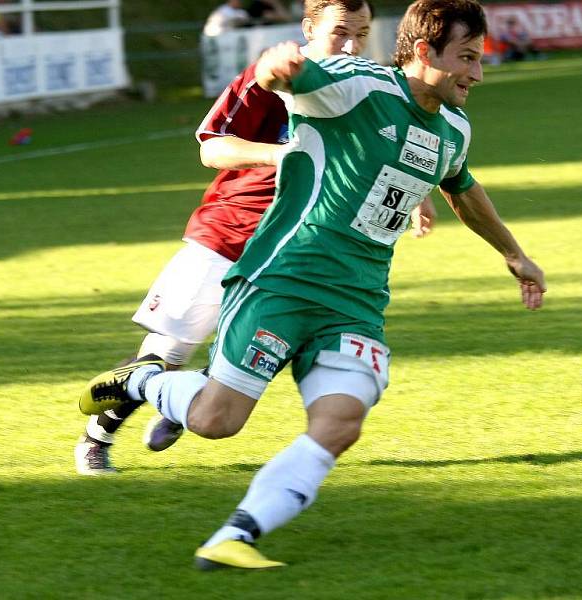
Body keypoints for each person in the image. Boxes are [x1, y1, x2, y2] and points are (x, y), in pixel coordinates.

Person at [80, 0, 545, 570]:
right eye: (467, 58)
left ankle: (236, 535)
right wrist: (279, 71)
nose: (477, 73)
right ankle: (146, 381)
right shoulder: (357, 84)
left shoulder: (453, 127)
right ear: (424, 52)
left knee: (340, 422)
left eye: (479, 59)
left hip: (356, 305)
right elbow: (298, 80)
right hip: (284, 281)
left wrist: (514, 254)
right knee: (215, 422)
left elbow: (461, 186)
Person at [75, 0, 442, 475]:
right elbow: (213, 148)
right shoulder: (275, 76)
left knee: (275, 341)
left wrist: (418, 193)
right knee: (168, 351)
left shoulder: (366, 84)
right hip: (231, 232)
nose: (352, 45)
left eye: (362, 33)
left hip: (299, 248)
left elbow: (396, 147)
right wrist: (286, 154)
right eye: (340, 33)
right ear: (309, 30)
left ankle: (196, 395)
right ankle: (96, 438)